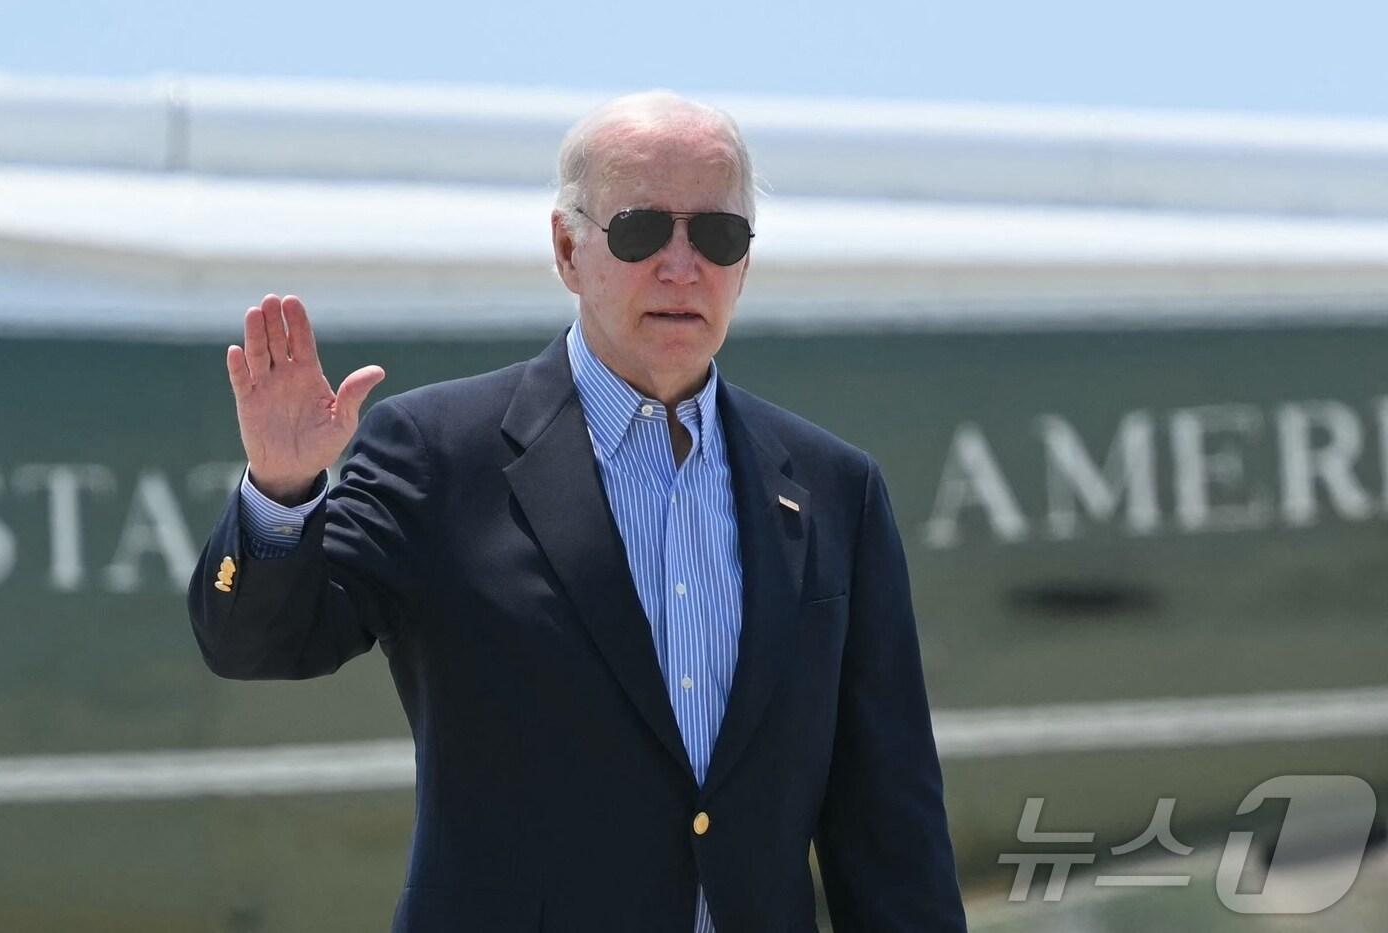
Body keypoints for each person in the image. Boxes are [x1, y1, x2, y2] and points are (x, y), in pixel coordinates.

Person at [188, 90, 967, 933]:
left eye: (716, 235)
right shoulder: (439, 452)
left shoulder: (833, 489)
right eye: (639, 232)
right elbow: (260, 642)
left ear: (745, 260)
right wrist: (281, 492)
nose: (681, 266)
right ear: (567, 248)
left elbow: (892, 830)